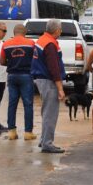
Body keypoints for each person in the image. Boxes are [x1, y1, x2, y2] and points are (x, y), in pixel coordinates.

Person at [31, 19, 66, 153]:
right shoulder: (50, 44)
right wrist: (60, 88)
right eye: (60, 29)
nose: (61, 31)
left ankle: (43, 140)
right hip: (47, 80)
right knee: (50, 113)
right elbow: (54, 68)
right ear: (56, 30)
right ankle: (47, 143)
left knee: (46, 111)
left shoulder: (42, 39)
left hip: (41, 79)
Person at [0, 24, 36, 141]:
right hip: (26, 75)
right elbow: (35, 59)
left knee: (12, 104)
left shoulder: (5, 44)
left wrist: (11, 64)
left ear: (14, 32)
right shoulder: (31, 43)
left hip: (12, 76)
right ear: (24, 32)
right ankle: (28, 133)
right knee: (28, 104)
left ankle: (12, 132)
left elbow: (2, 61)